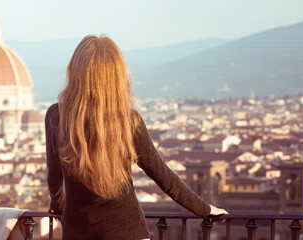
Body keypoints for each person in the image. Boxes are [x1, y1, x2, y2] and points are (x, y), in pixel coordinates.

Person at [45, 35, 228, 240]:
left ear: (75, 71)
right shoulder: (127, 120)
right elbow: (163, 176)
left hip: (77, 232)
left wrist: (57, 206)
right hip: (127, 232)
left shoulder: (56, 116)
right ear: (117, 76)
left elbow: (54, 176)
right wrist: (204, 209)